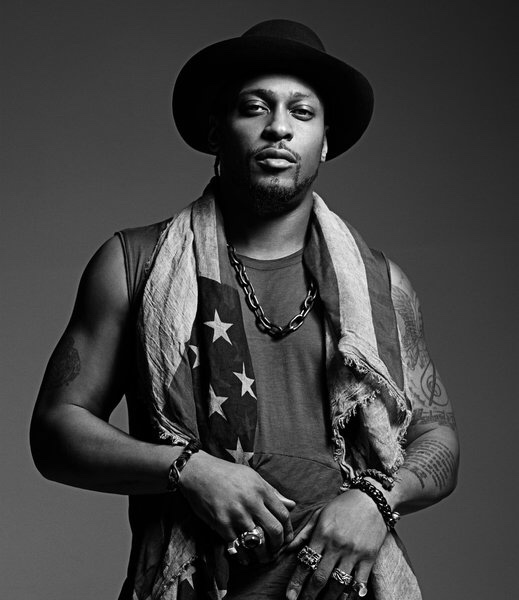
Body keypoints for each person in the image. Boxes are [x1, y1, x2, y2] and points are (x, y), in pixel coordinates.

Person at [30, 19, 459, 600]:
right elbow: (56, 431)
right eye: (255, 107)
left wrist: (377, 500)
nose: (278, 127)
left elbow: (437, 435)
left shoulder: (383, 285)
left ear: (324, 141)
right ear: (216, 131)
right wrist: (187, 469)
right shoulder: (135, 263)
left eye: (301, 112)